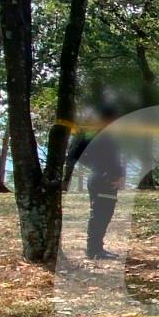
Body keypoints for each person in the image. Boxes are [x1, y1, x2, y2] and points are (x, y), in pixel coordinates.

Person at [65, 106, 126, 260]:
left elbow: (115, 159)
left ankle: (97, 248)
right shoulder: (98, 136)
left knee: (105, 214)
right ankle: (93, 250)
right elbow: (73, 154)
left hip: (108, 179)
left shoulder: (109, 136)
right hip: (101, 179)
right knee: (99, 214)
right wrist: (101, 170)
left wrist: (119, 175)